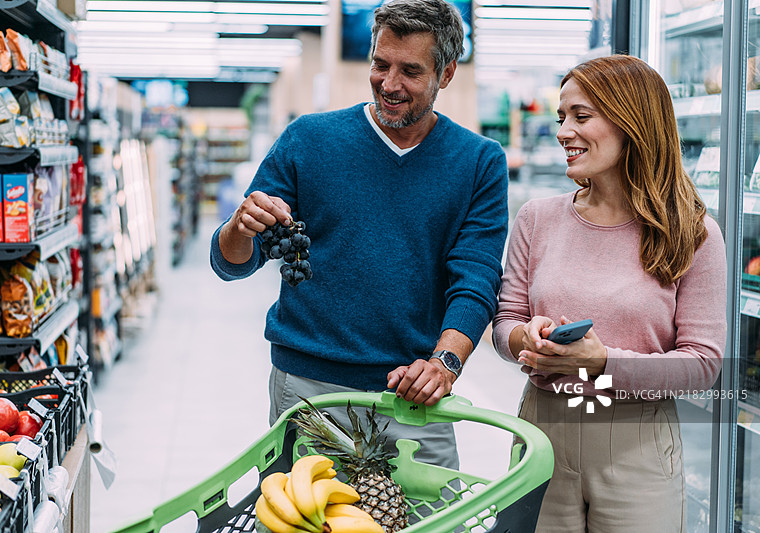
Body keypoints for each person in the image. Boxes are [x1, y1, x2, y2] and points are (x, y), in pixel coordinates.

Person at [210, 0, 508, 469]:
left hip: (415, 394)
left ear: (446, 73)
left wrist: (445, 362)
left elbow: (477, 276)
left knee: (433, 509)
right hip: (308, 390)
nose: (389, 84)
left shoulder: (478, 162)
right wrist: (237, 227)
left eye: (411, 71)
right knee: (305, 506)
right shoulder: (308, 140)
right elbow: (232, 263)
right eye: (380, 64)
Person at [492, 54, 727, 532]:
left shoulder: (693, 232)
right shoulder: (537, 219)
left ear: (631, 122)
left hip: (636, 439)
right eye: (561, 118)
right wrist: (525, 338)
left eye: (581, 116)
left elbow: (703, 363)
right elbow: (505, 323)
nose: (564, 132)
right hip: (541, 428)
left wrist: (602, 363)